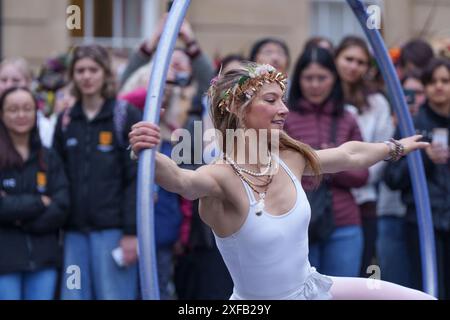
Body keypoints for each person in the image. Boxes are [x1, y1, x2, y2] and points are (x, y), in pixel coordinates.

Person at [129, 61, 434, 300]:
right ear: (237, 108)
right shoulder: (221, 176)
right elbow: (182, 181)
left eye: (283, 100)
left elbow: (350, 155)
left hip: (313, 289)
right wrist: (148, 153)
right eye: (271, 100)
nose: (284, 110)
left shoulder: (290, 157)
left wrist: (396, 147)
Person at [54, 45, 142, 300]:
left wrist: (131, 233)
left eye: (93, 69)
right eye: (80, 70)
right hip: (73, 235)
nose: (86, 76)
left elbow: (135, 179)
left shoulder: (124, 115)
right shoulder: (66, 119)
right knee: (74, 296)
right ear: (73, 75)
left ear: (105, 74)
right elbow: (58, 177)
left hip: (113, 233)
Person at [285, 47, 368, 277]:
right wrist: (333, 160)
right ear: (298, 79)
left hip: (344, 222)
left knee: (341, 291)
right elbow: (279, 170)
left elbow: (362, 175)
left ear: (334, 79)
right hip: (297, 224)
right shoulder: (283, 117)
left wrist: (326, 162)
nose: (314, 85)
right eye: (308, 78)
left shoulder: (347, 117)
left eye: (322, 78)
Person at [385, 58, 450, 299]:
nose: (439, 87)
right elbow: (392, 178)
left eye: (445, 80)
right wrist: (424, 159)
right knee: (429, 290)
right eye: (432, 82)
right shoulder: (411, 126)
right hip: (424, 224)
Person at [0, 87, 69, 299]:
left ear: (35, 113)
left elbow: (62, 205)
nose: (21, 115)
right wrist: (40, 202)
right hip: (4, 263)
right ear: (2, 114)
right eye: (13, 109)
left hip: (44, 260)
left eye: (27, 109)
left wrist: (20, 219)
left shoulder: (49, 158)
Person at [334, 36, 393, 277]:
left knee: (359, 272)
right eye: (348, 59)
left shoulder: (377, 102)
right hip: (327, 200)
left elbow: (383, 147)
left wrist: (357, 173)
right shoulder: (322, 97)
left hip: (364, 197)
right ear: (336, 59)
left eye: (361, 62)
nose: (353, 66)